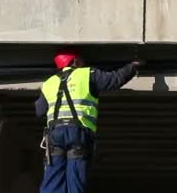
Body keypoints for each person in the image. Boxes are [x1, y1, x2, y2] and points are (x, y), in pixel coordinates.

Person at [35, 49, 142, 193]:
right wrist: (133, 66)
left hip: (55, 135)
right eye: (81, 59)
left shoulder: (49, 83)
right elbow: (113, 80)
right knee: (76, 180)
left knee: (52, 180)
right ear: (73, 61)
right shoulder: (87, 74)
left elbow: (40, 111)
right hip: (77, 133)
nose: (83, 62)